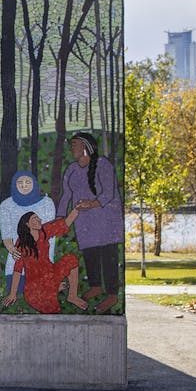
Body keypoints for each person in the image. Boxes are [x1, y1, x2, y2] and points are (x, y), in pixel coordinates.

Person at [56, 132, 124, 313]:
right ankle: (96, 286)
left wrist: (92, 203)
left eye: (75, 144)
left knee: (108, 254)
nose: (72, 148)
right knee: (90, 251)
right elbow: (66, 195)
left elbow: (108, 193)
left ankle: (112, 293)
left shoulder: (103, 165)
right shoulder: (71, 169)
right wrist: (60, 217)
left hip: (106, 218)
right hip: (85, 221)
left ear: (86, 145)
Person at [0, 208, 89, 314]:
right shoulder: (21, 243)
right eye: (35, 218)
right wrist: (12, 294)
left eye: (38, 217)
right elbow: (17, 270)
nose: (39, 220)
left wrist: (76, 210)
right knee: (52, 308)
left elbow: (65, 223)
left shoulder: (44, 231)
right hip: (34, 285)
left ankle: (72, 295)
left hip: (51, 272)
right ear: (27, 224)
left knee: (71, 259)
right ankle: (53, 288)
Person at [0, 170, 55, 286]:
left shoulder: (47, 204)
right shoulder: (6, 205)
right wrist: (14, 251)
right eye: (20, 182)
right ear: (14, 184)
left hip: (42, 257)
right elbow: (6, 235)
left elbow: (48, 232)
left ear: (34, 184)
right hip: (19, 258)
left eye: (28, 182)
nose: (24, 185)